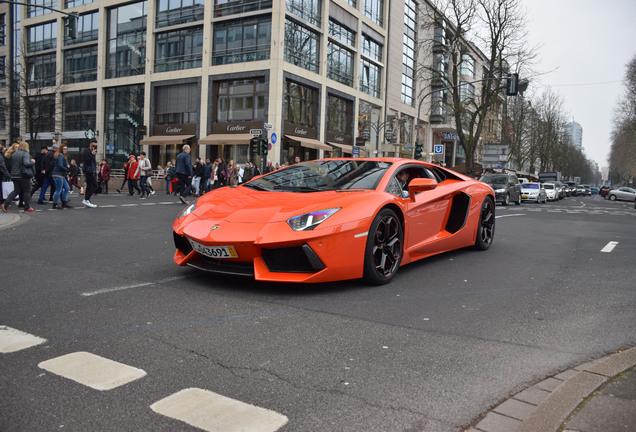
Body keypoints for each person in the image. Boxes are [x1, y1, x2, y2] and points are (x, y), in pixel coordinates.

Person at [1, 141, 36, 213]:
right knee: (27, 191)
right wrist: (32, 162)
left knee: (16, 190)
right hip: (23, 175)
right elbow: (26, 163)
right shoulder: (25, 154)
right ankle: (27, 207)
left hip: (14, 175)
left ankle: (5, 204)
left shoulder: (14, 154)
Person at [51, 144, 73, 209]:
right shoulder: (60, 156)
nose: (66, 150)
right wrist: (67, 169)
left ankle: (64, 202)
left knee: (67, 188)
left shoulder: (62, 156)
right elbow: (60, 165)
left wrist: (66, 166)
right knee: (59, 190)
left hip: (61, 175)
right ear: (61, 149)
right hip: (58, 175)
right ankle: (55, 204)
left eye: (66, 149)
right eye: (64, 149)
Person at [82, 139, 98, 208]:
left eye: (96, 146)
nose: (94, 147)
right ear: (90, 144)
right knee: (95, 185)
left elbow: (93, 163)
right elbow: (87, 161)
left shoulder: (92, 152)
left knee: (89, 186)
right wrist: (92, 154)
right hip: (88, 171)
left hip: (92, 171)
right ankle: (86, 199)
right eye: (93, 145)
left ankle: (87, 200)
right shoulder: (87, 151)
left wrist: (96, 173)